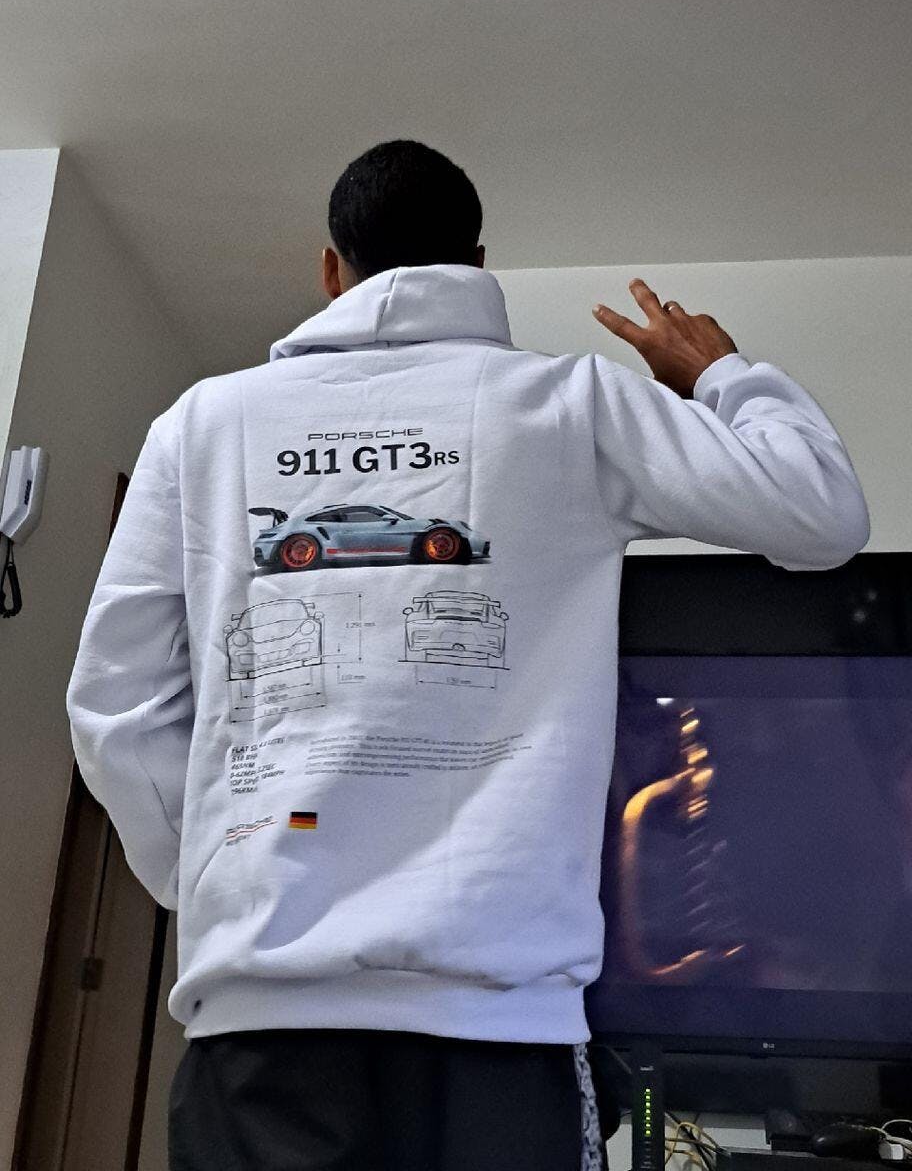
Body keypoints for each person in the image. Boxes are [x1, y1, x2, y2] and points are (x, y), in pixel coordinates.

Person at [65, 138, 870, 1171]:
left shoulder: (204, 424)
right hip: (500, 1025)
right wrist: (720, 372)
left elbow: (118, 702)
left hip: (263, 1016)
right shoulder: (573, 404)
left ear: (330, 268)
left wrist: (222, 876)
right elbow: (821, 513)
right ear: (479, 264)